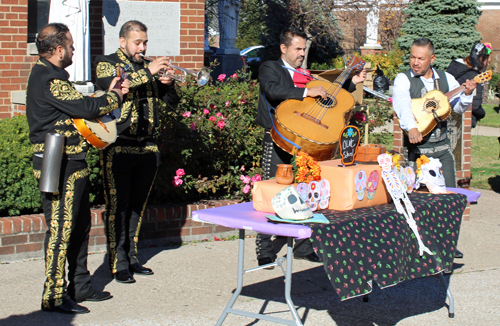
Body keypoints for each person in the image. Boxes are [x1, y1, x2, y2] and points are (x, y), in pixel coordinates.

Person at [26, 23, 129, 314]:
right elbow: (85, 108)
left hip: (73, 163)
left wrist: (106, 95)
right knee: (61, 229)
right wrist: (115, 97)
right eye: (70, 46)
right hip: (59, 166)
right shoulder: (49, 79)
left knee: (80, 225)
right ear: (58, 50)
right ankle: (54, 295)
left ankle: (80, 285)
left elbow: (79, 107)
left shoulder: (52, 75)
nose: (73, 50)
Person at [254, 27, 367, 267]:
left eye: (304, 49)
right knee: (270, 192)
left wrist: (351, 82)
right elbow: (273, 90)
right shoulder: (270, 68)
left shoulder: (306, 74)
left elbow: (326, 99)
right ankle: (264, 249)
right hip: (279, 137)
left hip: (307, 139)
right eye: (297, 49)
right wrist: (307, 90)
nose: (301, 53)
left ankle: (303, 246)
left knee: (305, 191)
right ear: (283, 48)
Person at [95, 20, 181, 284]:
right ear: (123, 42)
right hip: (119, 145)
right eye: (137, 42)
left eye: (145, 42)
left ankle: (131, 257)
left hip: (148, 145)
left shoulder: (148, 68)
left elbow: (173, 103)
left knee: (137, 206)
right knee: (117, 207)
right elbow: (116, 84)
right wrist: (150, 71)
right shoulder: (106, 62)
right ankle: (116, 262)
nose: (142, 48)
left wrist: (167, 84)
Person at [392, 38, 477, 260]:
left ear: (432, 59)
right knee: (416, 204)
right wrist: (411, 126)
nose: (415, 62)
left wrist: (467, 94)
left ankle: (448, 245)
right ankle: (417, 247)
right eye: (412, 57)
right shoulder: (404, 79)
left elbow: (457, 108)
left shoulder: (447, 80)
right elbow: (401, 103)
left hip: (443, 150)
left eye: (421, 58)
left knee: (449, 200)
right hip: (418, 153)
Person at [446, 42, 492, 128]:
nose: (488, 64)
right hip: (464, 121)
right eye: (487, 61)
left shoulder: (454, 69)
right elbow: (475, 105)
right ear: (481, 59)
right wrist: (482, 114)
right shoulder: (473, 76)